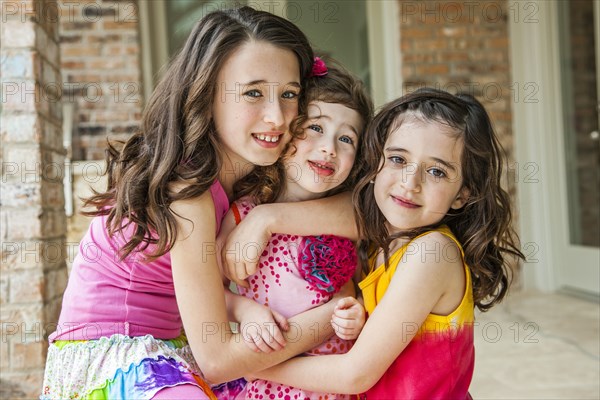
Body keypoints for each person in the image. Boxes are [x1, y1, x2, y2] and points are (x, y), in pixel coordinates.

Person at [41, 8, 354, 400]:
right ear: (207, 94)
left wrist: (268, 219)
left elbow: (366, 216)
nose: (276, 116)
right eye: (253, 93)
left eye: (288, 94)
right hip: (113, 354)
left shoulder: (253, 173)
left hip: (171, 346)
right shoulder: (187, 190)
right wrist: (336, 313)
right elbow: (217, 359)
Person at [246, 88, 526, 399]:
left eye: (436, 171)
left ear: (462, 193)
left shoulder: (431, 252)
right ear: (376, 162)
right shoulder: (379, 242)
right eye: (397, 159)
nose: (410, 182)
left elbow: (354, 375)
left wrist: (253, 367)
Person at [214, 60, 373, 399]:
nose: (330, 147)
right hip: (267, 386)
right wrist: (245, 311)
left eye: (346, 138)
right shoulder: (243, 214)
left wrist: (355, 314)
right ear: (286, 132)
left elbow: (353, 289)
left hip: (329, 383)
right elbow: (213, 291)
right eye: (316, 128)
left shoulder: (344, 221)